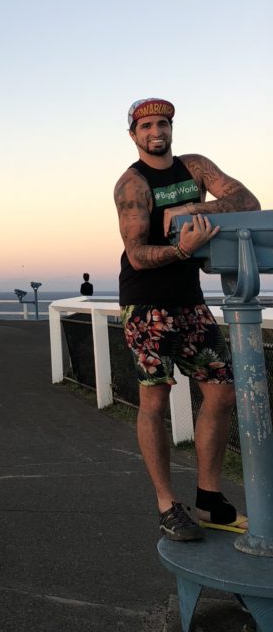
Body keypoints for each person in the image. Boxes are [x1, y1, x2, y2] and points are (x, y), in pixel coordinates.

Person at [114, 98, 260, 542]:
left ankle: (210, 499)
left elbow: (246, 199)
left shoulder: (194, 167)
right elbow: (138, 256)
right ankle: (167, 506)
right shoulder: (132, 185)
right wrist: (180, 248)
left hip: (190, 301)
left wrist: (189, 216)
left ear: (171, 129)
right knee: (154, 401)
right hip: (146, 305)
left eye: (163, 124)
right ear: (134, 135)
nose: (156, 131)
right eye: (147, 126)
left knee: (222, 392)